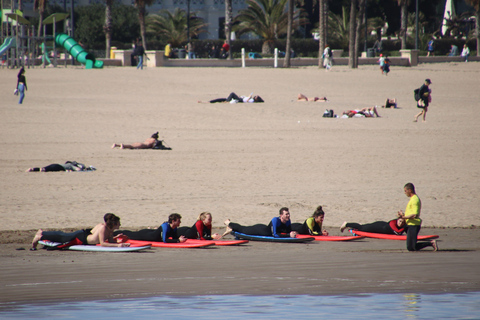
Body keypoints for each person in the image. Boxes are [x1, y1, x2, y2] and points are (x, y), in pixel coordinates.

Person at [31, 213, 129, 250]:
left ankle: (43, 233)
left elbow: (109, 241)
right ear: (114, 224)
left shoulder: (110, 230)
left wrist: (117, 240)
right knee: (63, 237)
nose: (120, 225)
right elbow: (103, 243)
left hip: (84, 236)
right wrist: (118, 246)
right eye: (118, 223)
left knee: (63, 236)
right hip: (81, 237)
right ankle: (40, 235)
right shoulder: (103, 228)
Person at [397, 183, 438, 251]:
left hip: (414, 225)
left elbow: (414, 215)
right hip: (409, 224)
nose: (405, 193)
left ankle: (431, 243)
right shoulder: (412, 199)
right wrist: (402, 215)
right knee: (411, 247)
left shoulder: (415, 200)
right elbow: (410, 213)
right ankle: (430, 243)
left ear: (410, 190)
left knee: (411, 247)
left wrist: (403, 218)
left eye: (405, 191)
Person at [223, 207, 297, 238]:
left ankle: (230, 229)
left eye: (288, 213)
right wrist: (288, 235)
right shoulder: (275, 220)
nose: (288, 215)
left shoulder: (288, 221)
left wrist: (293, 233)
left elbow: (288, 231)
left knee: (244, 229)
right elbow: (274, 235)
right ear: (281, 215)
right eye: (286, 214)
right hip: (260, 230)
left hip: (263, 227)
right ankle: (228, 223)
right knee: (243, 229)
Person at [114, 213, 187, 243]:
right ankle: (114, 233)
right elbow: (165, 240)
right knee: (130, 234)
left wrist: (179, 238)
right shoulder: (165, 226)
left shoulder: (174, 227)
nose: (180, 222)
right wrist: (178, 240)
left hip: (150, 232)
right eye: (179, 221)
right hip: (146, 236)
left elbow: (173, 237)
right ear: (173, 221)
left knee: (131, 233)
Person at [340, 218, 406, 235]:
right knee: (362, 228)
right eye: (400, 221)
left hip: (380, 226)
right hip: (377, 227)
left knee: (363, 227)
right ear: (397, 220)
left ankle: (354, 227)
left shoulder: (400, 225)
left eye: (402, 222)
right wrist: (405, 227)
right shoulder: (393, 223)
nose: (401, 223)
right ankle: (346, 224)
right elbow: (398, 232)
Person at [26, 161, 95, 172]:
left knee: (43, 169)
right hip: (60, 167)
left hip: (56, 164)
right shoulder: (71, 166)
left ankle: (32, 169)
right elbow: (78, 170)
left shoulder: (68, 164)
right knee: (45, 170)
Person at [198, 92, 264, 104]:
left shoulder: (252, 101)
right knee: (221, 99)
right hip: (240, 98)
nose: (256, 96)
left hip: (241, 100)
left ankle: (227, 101)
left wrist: (249, 97)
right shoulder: (252, 99)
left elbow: (246, 101)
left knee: (232, 93)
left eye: (257, 97)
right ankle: (208, 101)